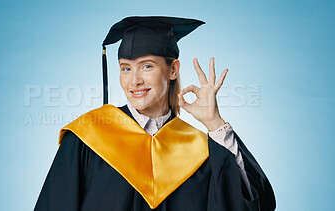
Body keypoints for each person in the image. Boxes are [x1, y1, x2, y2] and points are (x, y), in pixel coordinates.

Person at [34, 16, 276, 211]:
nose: (134, 80)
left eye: (147, 66)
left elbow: (254, 204)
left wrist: (214, 123)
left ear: (173, 70)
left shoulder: (200, 150)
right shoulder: (87, 137)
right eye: (126, 68)